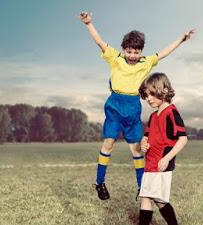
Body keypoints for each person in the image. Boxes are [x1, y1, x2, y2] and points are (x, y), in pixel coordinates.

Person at [78, 11, 194, 201]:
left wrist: (181, 39)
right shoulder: (115, 57)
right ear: (123, 49)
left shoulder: (146, 63)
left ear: (141, 51)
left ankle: (142, 188)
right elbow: (99, 41)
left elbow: (164, 52)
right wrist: (88, 24)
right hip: (115, 105)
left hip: (133, 107)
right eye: (129, 51)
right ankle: (99, 182)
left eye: (136, 52)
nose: (132, 55)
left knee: (137, 150)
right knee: (108, 143)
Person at [138, 72, 188, 225]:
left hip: (161, 164)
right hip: (150, 163)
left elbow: (183, 139)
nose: (148, 99)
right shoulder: (153, 116)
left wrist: (166, 158)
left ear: (164, 91)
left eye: (152, 94)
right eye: (146, 96)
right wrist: (143, 143)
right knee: (158, 200)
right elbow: (146, 136)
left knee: (147, 197)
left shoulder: (171, 112)